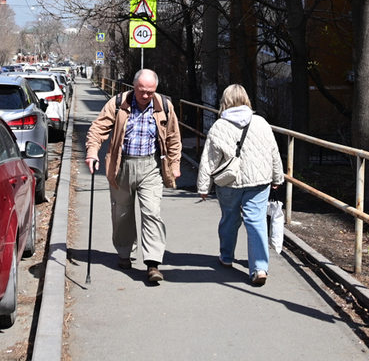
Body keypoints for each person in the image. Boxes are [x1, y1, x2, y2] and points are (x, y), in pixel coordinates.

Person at [85, 68, 182, 284]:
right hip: (122, 165)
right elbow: (98, 128)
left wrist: (174, 164)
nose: (146, 96)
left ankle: (153, 263)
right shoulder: (119, 103)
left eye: (150, 91)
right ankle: (124, 253)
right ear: (134, 86)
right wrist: (92, 152)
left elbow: (174, 137)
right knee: (122, 214)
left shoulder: (164, 106)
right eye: (141, 91)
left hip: (151, 167)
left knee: (152, 213)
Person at [196, 84, 284, 286]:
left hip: (229, 183)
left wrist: (203, 187)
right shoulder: (261, 123)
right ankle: (260, 268)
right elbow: (273, 152)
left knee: (229, 219)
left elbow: (209, 159)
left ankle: (226, 257)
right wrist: (278, 177)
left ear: (224, 102)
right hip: (259, 181)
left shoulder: (219, 126)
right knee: (256, 221)